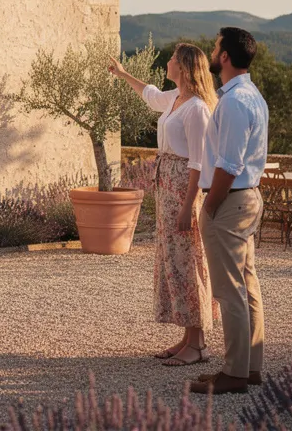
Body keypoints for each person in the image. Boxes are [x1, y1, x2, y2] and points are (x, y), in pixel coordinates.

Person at [110, 43, 221, 367]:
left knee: (189, 262)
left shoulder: (198, 108)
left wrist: (188, 206)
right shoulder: (174, 99)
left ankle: (198, 344)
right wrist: (122, 73)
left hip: (183, 191)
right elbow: (149, 94)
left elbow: (198, 164)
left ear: (184, 67)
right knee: (173, 262)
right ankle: (188, 337)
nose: (168, 61)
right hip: (167, 188)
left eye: (172, 58)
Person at [190, 27, 270, 395]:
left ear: (224, 57)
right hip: (246, 198)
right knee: (247, 286)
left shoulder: (236, 102)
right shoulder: (252, 97)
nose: (211, 48)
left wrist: (209, 204)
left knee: (230, 290)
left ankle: (234, 373)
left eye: (215, 45)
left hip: (230, 199)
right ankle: (249, 368)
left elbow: (228, 164)